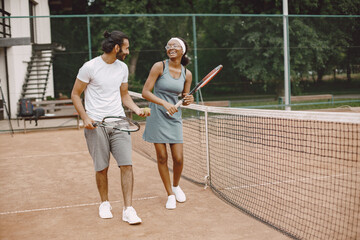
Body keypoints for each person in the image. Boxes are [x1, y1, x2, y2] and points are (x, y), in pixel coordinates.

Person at [71, 30, 149, 224]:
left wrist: (137, 110)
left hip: (119, 123)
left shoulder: (122, 68)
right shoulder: (89, 67)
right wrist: (85, 117)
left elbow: (124, 95)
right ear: (116, 48)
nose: (128, 51)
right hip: (96, 124)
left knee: (127, 165)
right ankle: (104, 203)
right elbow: (75, 94)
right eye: (126, 47)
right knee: (102, 168)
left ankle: (128, 209)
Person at [142, 37, 194, 209]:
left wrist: (188, 100)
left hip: (174, 117)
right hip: (157, 114)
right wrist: (164, 103)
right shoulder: (159, 67)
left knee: (178, 158)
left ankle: (176, 186)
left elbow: (184, 99)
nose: (171, 48)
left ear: (182, 50)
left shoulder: (187, 74)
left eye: (175, 45)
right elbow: (145, 92)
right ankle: (170, 195)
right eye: (168, 45)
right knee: (162, 157)